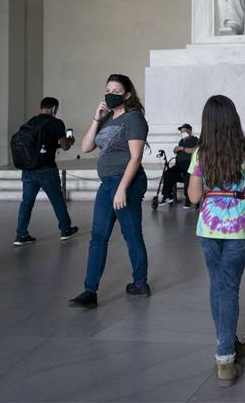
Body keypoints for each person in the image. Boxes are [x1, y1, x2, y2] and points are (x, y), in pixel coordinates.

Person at [187, 95, 245, 387]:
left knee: (218, 284)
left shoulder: (201, 153)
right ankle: (225, 357)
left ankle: (229, 342)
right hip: (238, 229)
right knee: (229, 287)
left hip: (208, 227)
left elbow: (194, 197)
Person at [68, 74, 151, 309]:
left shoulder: (134, 119)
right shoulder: (106, 120)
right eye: (107, 90)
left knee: (131, 234)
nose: (110, 94)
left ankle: (140, 283)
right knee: (98, 236)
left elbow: (136, 158)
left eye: (116, 91)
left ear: (127, 95)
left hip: (126, 181)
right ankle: (89, 290)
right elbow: (85, 147)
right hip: (107, 184)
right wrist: (97, 118)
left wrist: (122, 189)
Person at [13, 97, 79, 246]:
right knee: (57, 199)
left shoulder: (31, 122)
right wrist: (70, 141)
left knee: (27, 202)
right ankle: (65, 229)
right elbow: (65, 146)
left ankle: (21, 234)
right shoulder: (56, 123)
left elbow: (37, 144)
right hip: (46, 169)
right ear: (54, 109)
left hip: (28, 169)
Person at [161, 123, 198, 208]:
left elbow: (195, 149)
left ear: (189, 130)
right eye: (181, 131)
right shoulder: (181, 141)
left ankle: (188, 199)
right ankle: (167, 195)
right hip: (179, 164)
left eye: (184, 130)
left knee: (188, 175)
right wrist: (176, 149)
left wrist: (181, 148)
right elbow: (177, 150)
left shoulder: (194, 139)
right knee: (168, 173)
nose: (182, 132)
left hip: (189, 163)